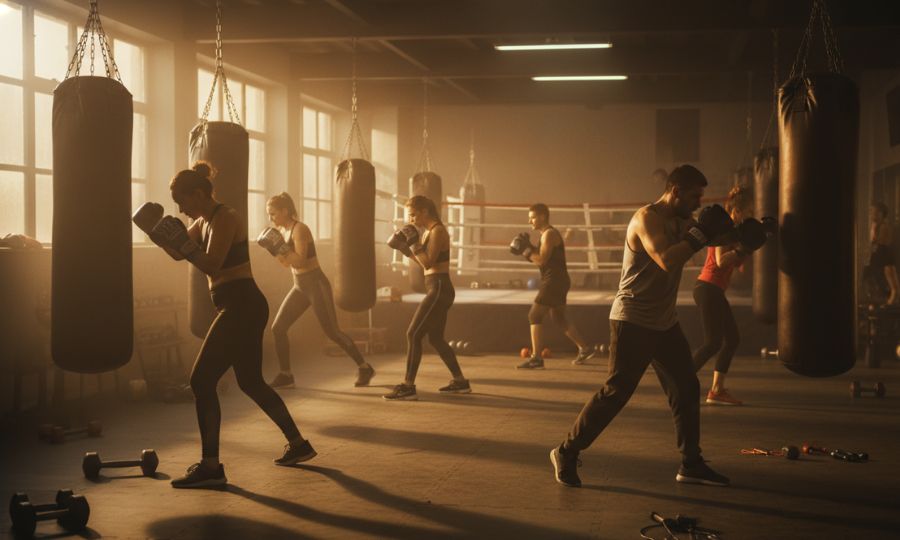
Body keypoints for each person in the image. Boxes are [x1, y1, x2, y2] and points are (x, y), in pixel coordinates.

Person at [132, 162, 315, 489]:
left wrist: (183, 245)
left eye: (183, 202)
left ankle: (211, 467)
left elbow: (210, 262)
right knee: (251, 382)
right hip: (237, 306)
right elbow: (179, 254)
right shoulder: (202, 221)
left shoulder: (225, 217)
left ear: (199, 194)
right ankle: (299, 444)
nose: (181, 210)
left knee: (201, 381)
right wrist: (157, 233)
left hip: (241, 305)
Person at [550, 165, 734, 488]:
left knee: (686, 387)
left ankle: (690, 463)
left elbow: (722, 238)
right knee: (616, 393)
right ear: (675, 190)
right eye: (694, 195)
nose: (698, 202)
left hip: (665, 323)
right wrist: (700, 235)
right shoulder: (646, 219)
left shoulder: (685, 221)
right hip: (632, 320)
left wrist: (753, 232)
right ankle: (566, 451)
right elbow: (666, 258)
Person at [258, 192, 375, 389]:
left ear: (285, 211)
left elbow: (301, 261)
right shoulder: (284, 232)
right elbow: (288, 264)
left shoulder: (300, 229)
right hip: (299, 285)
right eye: (269, 215)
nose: (271, 218)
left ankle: (364, 367)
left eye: (273, 214)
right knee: (278, 328)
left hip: (315, 284)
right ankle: (286, 374)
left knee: (332, 332)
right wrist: (274, 250)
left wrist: (280, 247)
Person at [383, 195, 471, 400]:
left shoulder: (438, 231)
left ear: (424, 211)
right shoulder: (428, 233)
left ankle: (408, 386)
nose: (411, 219)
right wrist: (404, 248)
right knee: (436, 338)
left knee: (413, 334)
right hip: (436, 286)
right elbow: (422, 261)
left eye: (413, 214)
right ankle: (460, 381)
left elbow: (429, 262)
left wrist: (412, 243)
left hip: (439, 287)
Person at [692, 185, 761, 405]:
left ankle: (716, 390)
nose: (751, 216)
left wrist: (749, 246)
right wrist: (743, 248)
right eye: (749, 212)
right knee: (713, 342)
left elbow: (737, 264)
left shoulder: (736, 232)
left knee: (732, 339)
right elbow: (722, 260)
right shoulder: (723, 228)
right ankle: (681, 379)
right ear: (737, 211)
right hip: (707, 288)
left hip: (714, 290)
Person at [510, 203, 598, 368]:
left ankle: (536, 358)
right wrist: (529, 248)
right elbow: (542, 259)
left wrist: (526, 251)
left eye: (533, 218)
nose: (530, 222)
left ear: (543, 216)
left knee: (534, 315)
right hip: (557, 280)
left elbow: (542, 260)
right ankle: (585, 348)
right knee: (559, 318)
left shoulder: (549, 234)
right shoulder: (546, 234)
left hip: (554, 281)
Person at [870, 202, 899, 306]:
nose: (872, 215)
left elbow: (881, 241)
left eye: (875, 212)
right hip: (879, 255)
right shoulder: (875, 226)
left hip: (883, 254)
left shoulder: (884, 227)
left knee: (890, 278)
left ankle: (890, 300)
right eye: (871, 212)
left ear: (881, 214)